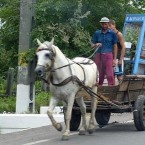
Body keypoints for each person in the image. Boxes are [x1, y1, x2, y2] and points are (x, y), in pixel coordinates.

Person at [91, 17, 118, 86]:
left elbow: (115, 46)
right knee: (99, 73)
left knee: (109, 74)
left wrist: (114, 59)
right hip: (99, 55)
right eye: (103, 24)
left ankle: (111, 88)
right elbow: (92, 45)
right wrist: (96, 44)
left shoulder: (112, 34)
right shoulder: (97, 33)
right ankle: (98, 88)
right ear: (101, 24)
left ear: (108, 24)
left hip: (108, 55)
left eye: (105, 24)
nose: (104, 26)